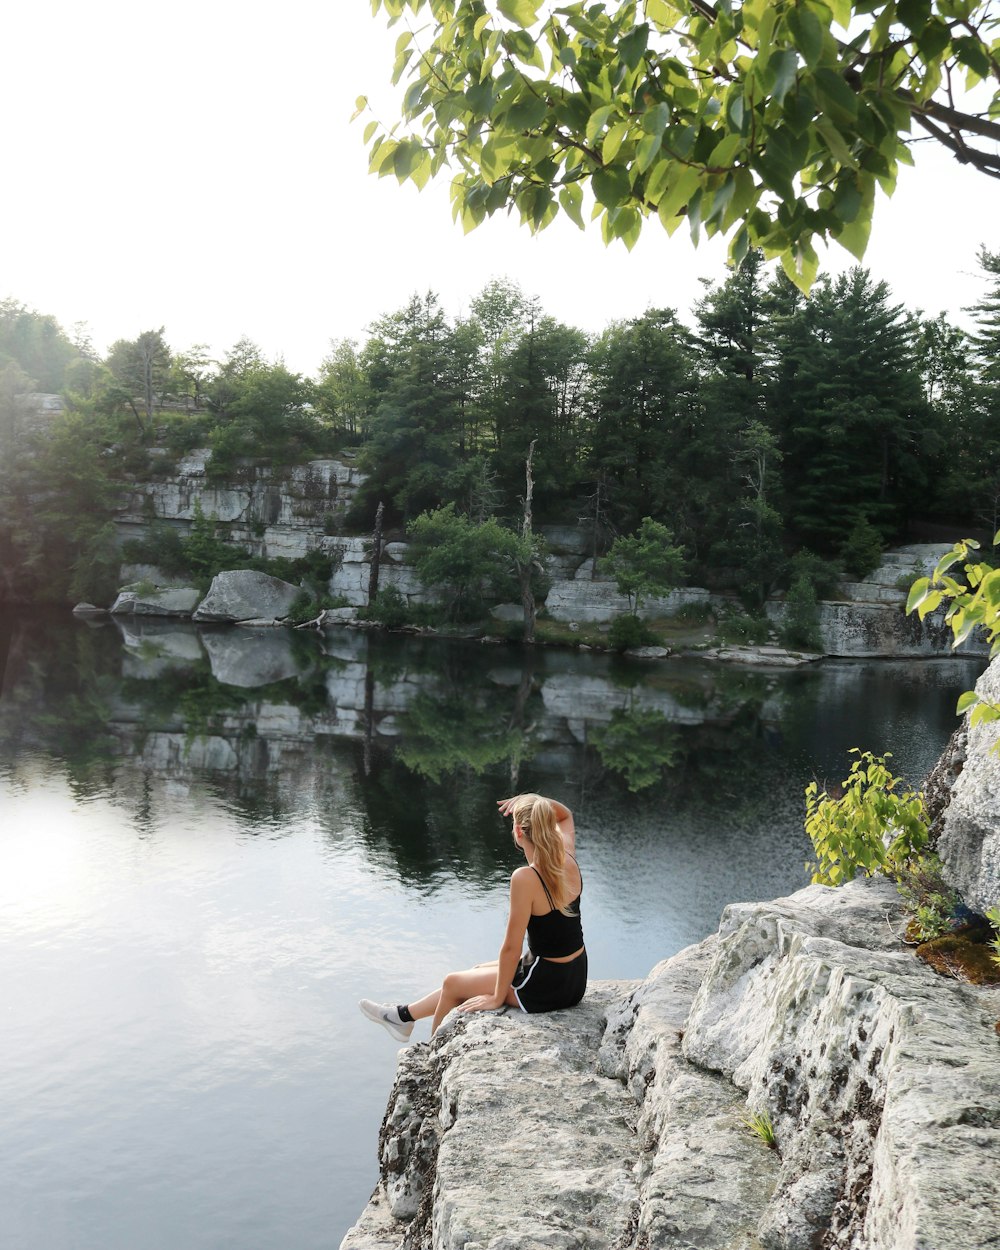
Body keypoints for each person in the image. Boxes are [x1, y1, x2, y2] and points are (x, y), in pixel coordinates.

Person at [359, 793, 586, 1042]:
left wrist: (497, 998)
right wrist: (535, 799)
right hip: (575, 976)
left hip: (547, 984)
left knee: (452, 984)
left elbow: (511, 948)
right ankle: (403, 1016)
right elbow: (566, 815)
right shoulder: (566, 855)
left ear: (519, 833)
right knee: (477, 971)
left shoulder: (526, 878)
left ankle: (430, 1055)